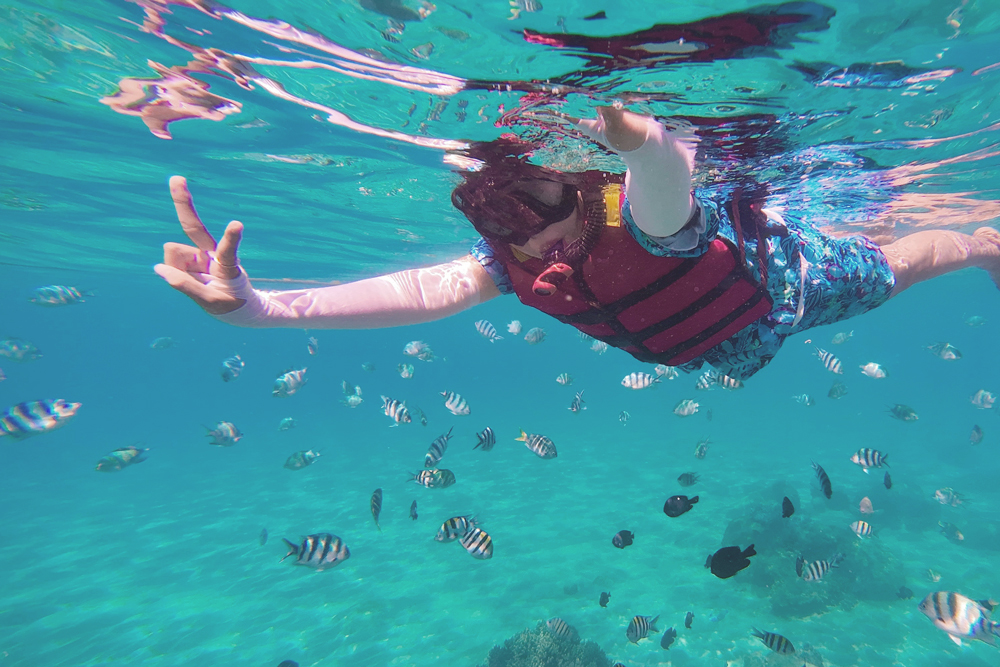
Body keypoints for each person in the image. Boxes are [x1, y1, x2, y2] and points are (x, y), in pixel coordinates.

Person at [155, 107, 1000, 380]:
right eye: (495, 216)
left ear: (581, 182)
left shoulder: (641, 217)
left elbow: (663, 191)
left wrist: (645, 144)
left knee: (898, 266)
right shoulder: (516, 258)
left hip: (782, 288)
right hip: (714, 344)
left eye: (539, 202)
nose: (528, 235)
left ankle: (980, 239)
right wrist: (264, 311)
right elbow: (417, 293)